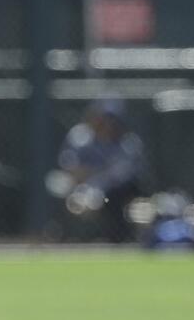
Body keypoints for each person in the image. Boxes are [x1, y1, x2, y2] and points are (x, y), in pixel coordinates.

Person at [48, 98, 146, 242]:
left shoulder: (127, 143)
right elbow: (71, 169)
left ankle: (116, 238)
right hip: (79, 186)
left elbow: (122, 176)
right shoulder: (80, 137)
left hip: (112, 192)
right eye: (102, 118)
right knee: (59, 184)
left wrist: (96, 179)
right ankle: (62, 235)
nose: (106, 123)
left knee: (116, 198)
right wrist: (93, 176)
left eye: (111, 119)